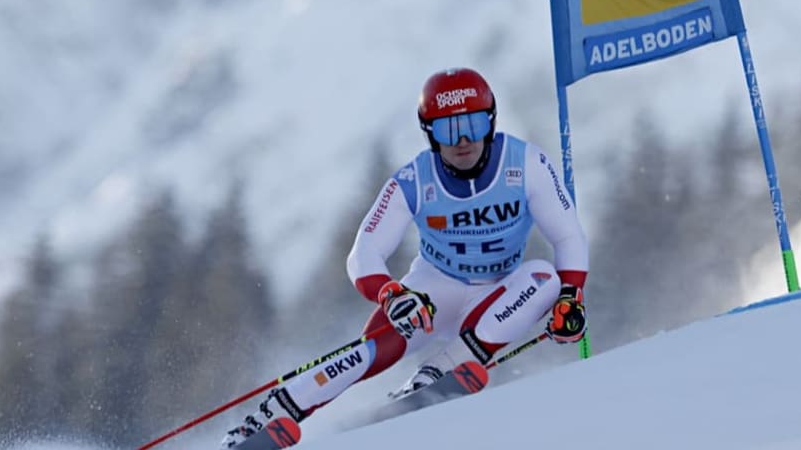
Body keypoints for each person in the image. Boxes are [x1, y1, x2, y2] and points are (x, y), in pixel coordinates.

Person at [222, 67, 588, 447]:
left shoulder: (526, 164)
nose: (463, 140)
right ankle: (269, 416)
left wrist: (570, 299)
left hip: (498, 296)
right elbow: (363, 253)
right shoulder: (414, 179)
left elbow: (568, 236)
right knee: (373, 352)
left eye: (474, 125)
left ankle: (439, 372)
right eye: (448, 129)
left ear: (491, 122)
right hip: (432, 292)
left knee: (546, 278)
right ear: (429, 133)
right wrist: (392, 295)